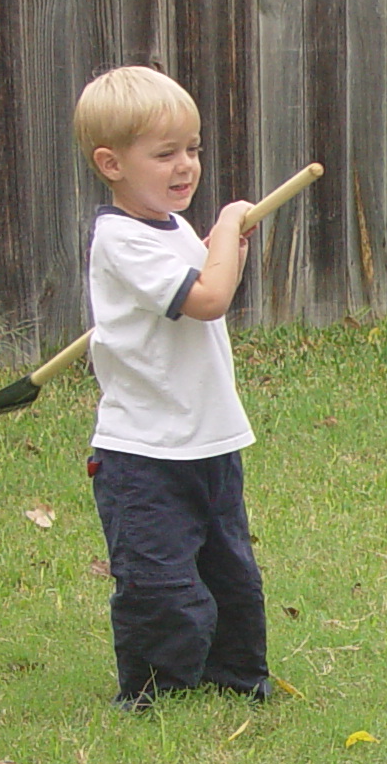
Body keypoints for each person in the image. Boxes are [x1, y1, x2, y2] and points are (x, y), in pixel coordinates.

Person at [74, 65, 270, 708]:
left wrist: (223, 243)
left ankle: (237, 677)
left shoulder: (172, 226)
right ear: (111, 163)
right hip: (145, 453)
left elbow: (206, 284)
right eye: (165, 154)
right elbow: (210, 298)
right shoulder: (120, 239)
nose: (186, 166)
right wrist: (230, 227)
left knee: (230, 571)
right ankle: (155, 693)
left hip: (208, 438)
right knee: (158, 579)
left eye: (193, 149)